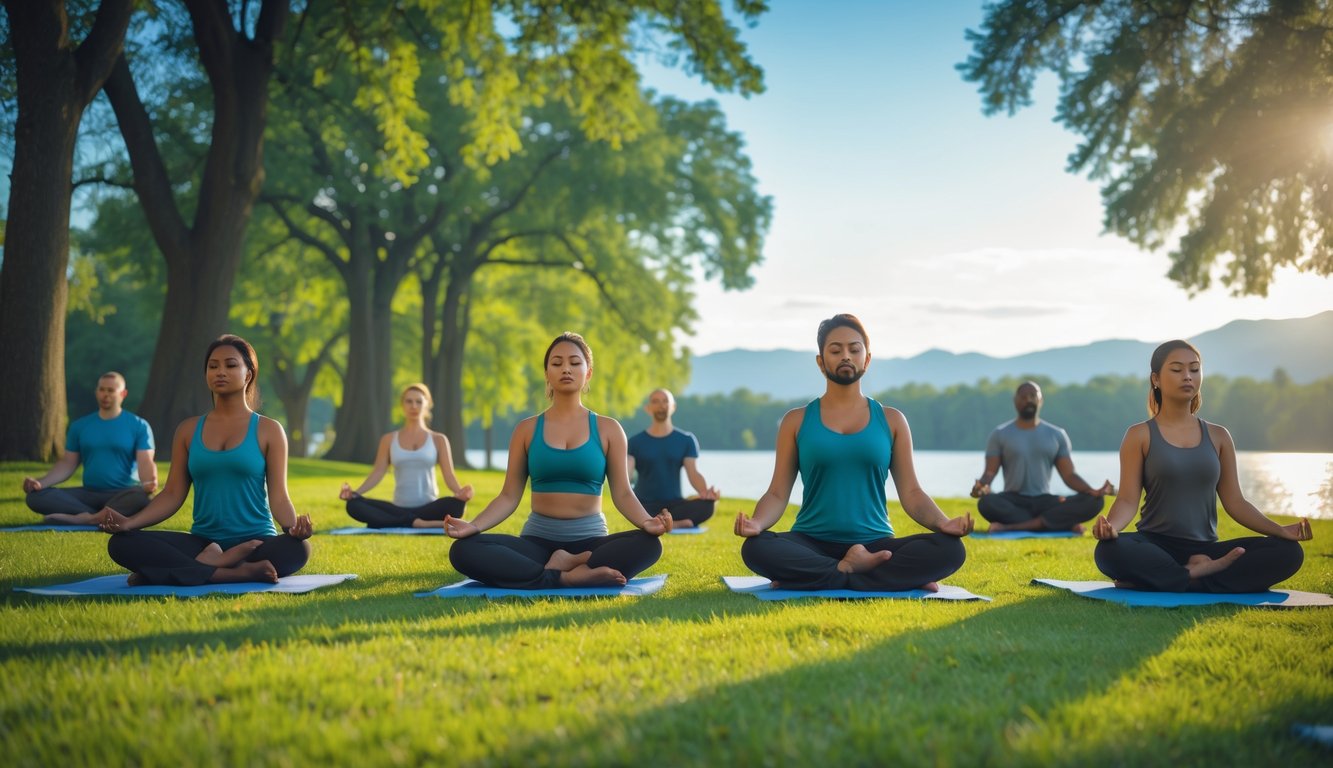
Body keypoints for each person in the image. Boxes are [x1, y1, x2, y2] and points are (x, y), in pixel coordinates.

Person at [734, 314, 971, 591]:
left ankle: (824, 574)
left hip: (874, 544)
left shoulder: (892, 420)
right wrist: (757, 523)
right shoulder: (795, 421)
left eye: (854, 349)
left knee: (951, 549)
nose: (845, 356)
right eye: (835, 350)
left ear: (867, 359)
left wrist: (944, 523)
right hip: (812, 542)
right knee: (756, 548)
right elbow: (777, 493)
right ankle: (860, 572)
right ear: (821, 362)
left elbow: (912, 493)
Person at [445, 332, 673, 588]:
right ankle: (566, 576)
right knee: (463, 551)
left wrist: (646, 522)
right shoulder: (526, 430)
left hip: (591, 544)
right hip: (537, 543)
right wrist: (473, 527)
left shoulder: (609, 429)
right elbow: (509, 496)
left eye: (575, 363)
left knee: (650, 545)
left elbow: (622, 493)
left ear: (587, 373)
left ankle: (564, 566)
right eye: (557, 363)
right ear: (547, 373)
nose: (566, 369)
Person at [1091, 340, 1309, 592]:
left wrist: (1280, 530)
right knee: (1109, 550)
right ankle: (1196, 576)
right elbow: (1128, 499)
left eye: (1194, 369)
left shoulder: (1219, 436)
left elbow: (1235, 502)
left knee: (1288, 552)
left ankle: (1175, 578)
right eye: (1176, 369)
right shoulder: (1139, 435)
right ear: (1156, 379)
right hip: (1154, 545)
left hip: (1206, 550)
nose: (1187, 376)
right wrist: (1112, 529)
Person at [93, 335, 313, 585]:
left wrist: (292, 529)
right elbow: (173, 493)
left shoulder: (269, 429)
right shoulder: (187, 430)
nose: (220, 372)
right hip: (204, 544)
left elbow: (280, 496)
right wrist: (130, 523)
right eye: (213, 366)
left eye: (230, 365)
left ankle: (170, 572)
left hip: (255, 543)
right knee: (122, 543)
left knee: (298, 549)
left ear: (248, 374)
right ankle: (232, 571)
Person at [970, 381, 1114, 533]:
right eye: (1023, 397)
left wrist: (1092, 490)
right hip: (1013, 500)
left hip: (1045, 501)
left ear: (1041, 400)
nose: (1028, 400)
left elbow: (1069, 475)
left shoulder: (1057, 434)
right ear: (1015, 401)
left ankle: (1010, 526)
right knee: (986, 503)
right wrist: (981, 488)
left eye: (1033, 396)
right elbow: (990, 473)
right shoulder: (999, 434)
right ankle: (1057, 523)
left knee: (1094, 502)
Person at [22, 372, 157, 525]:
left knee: (141, 497)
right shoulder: (79, 426)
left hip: (123, 494)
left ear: (123, 394)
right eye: (102, 389)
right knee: (35, 496)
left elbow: (146, 460)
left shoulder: (139, 426)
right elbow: (67, 463)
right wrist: (40, 483)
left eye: (111, 391)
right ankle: (99, 516)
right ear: (96, 392)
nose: (105, 394)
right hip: (88, 494)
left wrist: (149, 482)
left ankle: (88, 518)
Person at [339, 383, 474, 528]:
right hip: (397, 507)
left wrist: (461, 493)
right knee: (353, 505)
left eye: (419, 401)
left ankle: (394, 521)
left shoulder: (439, 439)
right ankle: (417, 523)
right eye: (409, 401)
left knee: (456, 506)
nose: (414, 406)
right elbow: (378, 472)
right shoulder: (388, 439)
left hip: (430, 508)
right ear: (402, 405)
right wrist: (355, 494)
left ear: (427, 405)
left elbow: (449, 475)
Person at [626, 388, 720, 528]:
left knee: (707, 506)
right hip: (645, 505)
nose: (661, 405)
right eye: (656, 401)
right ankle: (676, 523)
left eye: (665, 401)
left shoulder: (686, 440)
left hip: (675, 506)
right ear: (648, 408)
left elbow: (693, 473)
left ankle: (670, 523)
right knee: (635, 509)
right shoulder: (635, 442)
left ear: (673, 407)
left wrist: (705, 493)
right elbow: (626, 476)